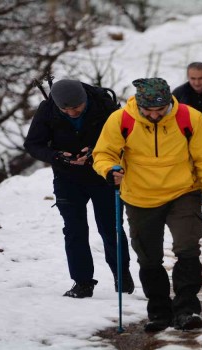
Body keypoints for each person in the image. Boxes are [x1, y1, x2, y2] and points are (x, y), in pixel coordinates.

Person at [92, 78, 202, 332]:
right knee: (148, 256)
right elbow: (103, 153)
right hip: (140, 197)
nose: (154, 115)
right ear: (139, 105)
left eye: (160, 110)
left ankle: (187, 309)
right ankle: (159, 311)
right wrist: (109, 170)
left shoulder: (189, 118)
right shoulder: (121, 120)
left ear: (168, 102)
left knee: (187, 247)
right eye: (148, 111)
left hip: (183, 192)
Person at [24, 79, 134, 298]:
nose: (72, 112)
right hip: (67, 178)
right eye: (65, 109)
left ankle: (122, 275)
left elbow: (125, 137)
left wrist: (95, 152)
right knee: (74, 230)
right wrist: (56, 156)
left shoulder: (104, 104)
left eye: (76, 108)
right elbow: (33, 144)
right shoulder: (48, 109)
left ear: (84, 100)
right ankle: (82, 282)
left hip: (103, 176)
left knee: (111, 228)